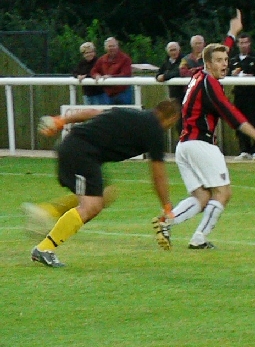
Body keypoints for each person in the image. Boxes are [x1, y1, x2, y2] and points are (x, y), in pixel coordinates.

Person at [26, 100, 181, 267]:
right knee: (91, 206)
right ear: (172, 119)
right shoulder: (155, 132)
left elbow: (92, 112)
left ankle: (47, 212)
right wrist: (167, 206)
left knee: (106, 194)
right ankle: (44, 248)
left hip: (79, 150)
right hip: (81, 153)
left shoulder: (132, 113)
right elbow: (158, 176)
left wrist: (60, 120)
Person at [157, 42, 255, 250]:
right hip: (200, 144)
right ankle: (199, 239)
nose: (225, 64)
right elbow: (230, 113)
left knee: (202, 196)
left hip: (184, 145)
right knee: (223, 193)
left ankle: (165, 222)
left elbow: (212, 52)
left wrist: (231, 35)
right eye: (219, 61)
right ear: (208, 64)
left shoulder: (197, 75)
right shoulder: (209, 83)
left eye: (226, 60)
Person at [229, 33, 255, 160]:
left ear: (250, 43)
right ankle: (244, 149)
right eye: (241, 43)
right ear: (237, 44)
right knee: (240, 122)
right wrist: (233, 74)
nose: (244, 45)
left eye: (246, 42)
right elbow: (225, 74)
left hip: (253, 96)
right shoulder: (234, 60)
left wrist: (253, 76)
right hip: (239, 96)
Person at [91, 37, 133, 104]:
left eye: (113, 46)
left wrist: (111, 77)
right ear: (105, 48)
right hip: (108, 94)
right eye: (109, 46)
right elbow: (94, 71)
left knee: (125, 110)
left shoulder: (125, 58)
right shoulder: (102, 59)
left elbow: (126, 74)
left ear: (117, 46)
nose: (111, 48)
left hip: (123, 93)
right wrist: (96, 75)